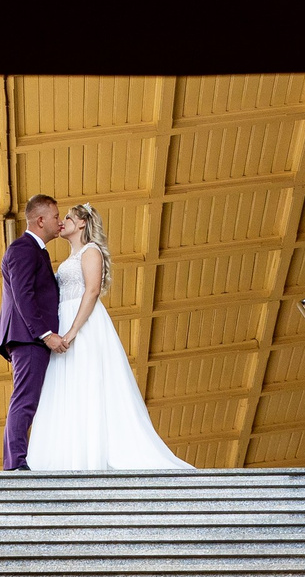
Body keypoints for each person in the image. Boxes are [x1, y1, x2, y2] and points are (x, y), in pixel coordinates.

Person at [24, 202, 191, 472]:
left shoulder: (91, 252)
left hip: (83, 325)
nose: (63, 221)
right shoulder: (69, 260)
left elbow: (91, 292)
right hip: (65, 321)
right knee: (66, 388)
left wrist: (73, 331)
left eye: (68, 217)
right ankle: (69, 455)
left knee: (88, 383)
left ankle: (94, 454)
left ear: (82, 223)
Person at [0, 194, 63, 470]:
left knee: (31, 398)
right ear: (41, 219)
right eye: (56, 216)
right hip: (28, 338)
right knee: (25, 399)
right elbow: (23, 295)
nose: (59, 221)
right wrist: (45, 334)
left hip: (30, 338)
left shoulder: (37, 251)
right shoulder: (23, 248)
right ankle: (15, 464)